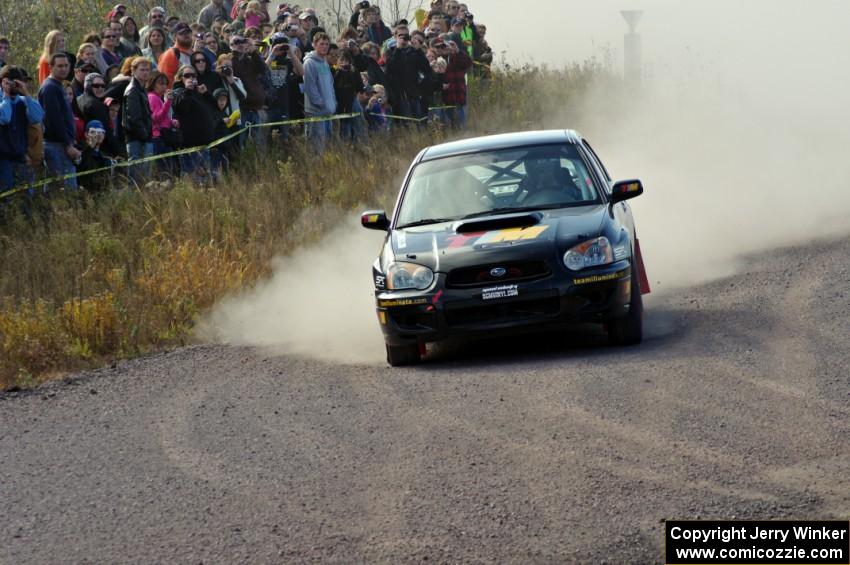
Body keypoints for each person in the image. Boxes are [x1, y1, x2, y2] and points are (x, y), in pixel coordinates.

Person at [38, 53, 81, 190]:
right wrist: (68, 145)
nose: (63, 69)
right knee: (62, 191)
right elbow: (54, 120)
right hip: (56, 145)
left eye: (66, 65)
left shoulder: (58, 86)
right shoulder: (50, 88)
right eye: (60, 66)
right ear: (51, 67)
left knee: (67, 189)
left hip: (62, 144)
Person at [0, 66, 45, 192]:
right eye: (10, 82)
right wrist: (6, 96)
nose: (13, 85)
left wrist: (26, 93)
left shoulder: (23, 101)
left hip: (20, 156)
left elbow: (37, 117)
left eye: (16, 82)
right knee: (6, 194)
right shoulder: (2, 101)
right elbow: (5, 117)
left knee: (24, 195)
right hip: (3, 158)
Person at [172, 65, 216, 180]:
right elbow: (182, 108)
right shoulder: (178, 91)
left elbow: (216, 107)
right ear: (180, 78)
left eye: (193, 75)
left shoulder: (197, 92)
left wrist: (206, 93)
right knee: (193, 179)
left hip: (204, 142)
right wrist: (187, 90)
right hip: (190, 144)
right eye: (187, 75)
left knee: (206, 179)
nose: (191, 78)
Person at [385, 27, 431, 121]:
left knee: (419, 121)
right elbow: (390, 69)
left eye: (405, 35)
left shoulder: (415, 51)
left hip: (414, 92)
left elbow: (426, 68)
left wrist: (418, 50)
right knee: (405, 122)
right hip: (399, 95)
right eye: (400, 35)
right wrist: (398, 48)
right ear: (395, 37)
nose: (403, 38)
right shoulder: (391, 51)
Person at [302, 32, 336, 153]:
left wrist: (333, 102)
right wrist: (320, 104)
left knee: (326, 144)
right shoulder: (309, 63)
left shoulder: (325, 62)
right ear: (314, 44)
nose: (325, 46)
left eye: (327, 44)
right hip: (316, 112)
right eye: (321, 44)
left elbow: (330, 84)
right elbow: (310, 87)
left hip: (328, 111)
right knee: (316, 146)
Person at [229, 34, 266, 142]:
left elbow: (262, 70)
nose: (240, 44)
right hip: (241, 109)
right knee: (243, 143)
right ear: (230, 45)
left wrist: (253, 51)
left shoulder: (250, 60)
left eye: (242, 41)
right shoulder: (230, 61)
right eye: (236, 42)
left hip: (255, 108)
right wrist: (235, 53)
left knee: (257, 143)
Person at [122, 57, 154, 184]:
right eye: (142, 70)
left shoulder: (141, 88)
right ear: (133, 71)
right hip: (137, 139)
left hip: (142, 137)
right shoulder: (133, 90)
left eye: (147, 70)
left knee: (145, 175)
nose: (145, 72)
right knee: (137, 177)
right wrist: (145, 136)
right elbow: (134, 118)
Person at [145, 71, 180, 175]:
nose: (164, 86)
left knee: (169, 168)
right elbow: (156, 118)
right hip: (158, 137)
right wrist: (168, 102)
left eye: (165, 83)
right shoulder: (152, 97)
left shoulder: (157, 98)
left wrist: (171, 121)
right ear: (152, 83)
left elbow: (163, 118)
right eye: (161, 83)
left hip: (163, 136)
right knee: (165, 170)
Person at [434, 37, 470, 127]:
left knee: (461, 126)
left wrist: (457, 50)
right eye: (438, 47)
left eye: (443, 46)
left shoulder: (455, 57)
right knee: (446, 127)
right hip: (442, 100)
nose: (441, 49)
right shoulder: (434, 60)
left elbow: (468, 63)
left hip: (458, 97)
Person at [74, 120, 115, 192]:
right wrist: (90, 147)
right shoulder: (78, 150)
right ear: (86, 134)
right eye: (94, 132)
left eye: (101, 132)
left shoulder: (104, 157)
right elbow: (81, 167)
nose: (98, 135)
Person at [332, 49, 363, 142]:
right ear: (337, 61)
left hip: (351, 101)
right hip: (338, 103)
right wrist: (340, 72)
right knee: (342, 128)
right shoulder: (334, 71)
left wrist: (351, 73)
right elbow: (333, 85)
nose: (344, 63)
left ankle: (359, 143)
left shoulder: (354, 71)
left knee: (356, 124)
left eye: (346, 61)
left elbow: (359, 87)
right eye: (342, 61)